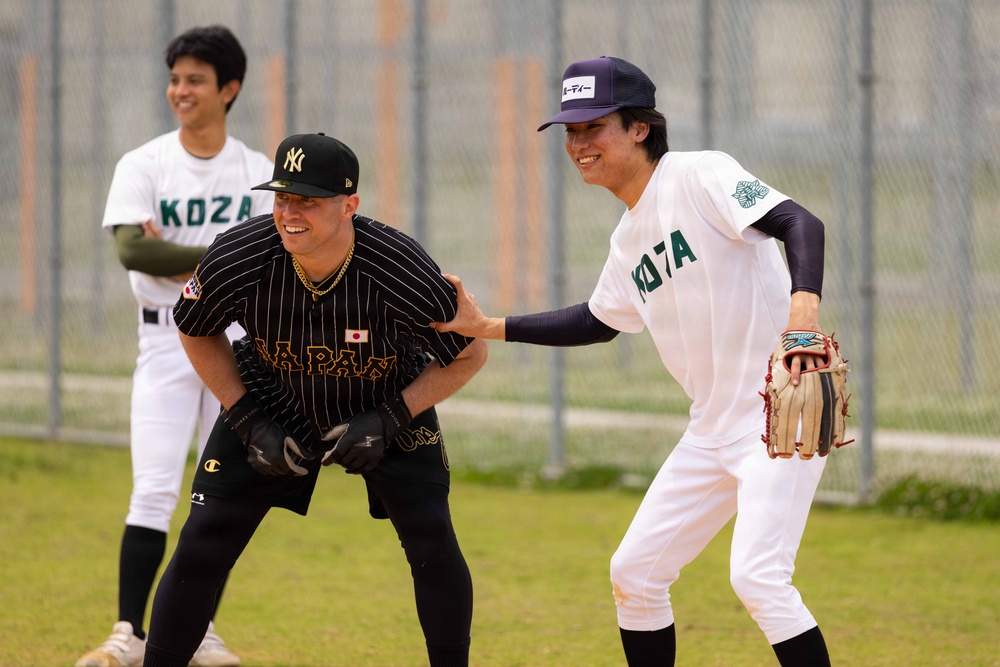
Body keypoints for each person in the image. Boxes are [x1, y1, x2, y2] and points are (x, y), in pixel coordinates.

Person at [432, 56, 835, 666]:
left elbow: (799, 222)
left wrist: (803, 309)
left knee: (758, 579)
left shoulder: (700, 175)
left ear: (640, 127)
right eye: (570, 131)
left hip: (778, 415)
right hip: (711, 429)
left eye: (593, 126)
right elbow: (597, 321)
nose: (578, 144)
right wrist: (486, 326)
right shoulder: (628, 237)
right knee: (636, 572)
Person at [139, 132, 488, 667]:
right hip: (269, 396)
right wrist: (246, 418)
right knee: (203, 540)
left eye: (309, 200)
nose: (290, 213)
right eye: (282, 197)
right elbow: (194, 327)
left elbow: (469, 352)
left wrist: (391, 418)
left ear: (349, 205)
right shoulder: (240, 254)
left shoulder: (398, 266)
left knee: (431, 537)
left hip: (385, 399)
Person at [79, 25, 273, 667]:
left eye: (195, 79)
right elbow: (134, 249)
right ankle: (128, 633)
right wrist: (225, 253)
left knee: (216, 493)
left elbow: (273, 259)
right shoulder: (145, 162)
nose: (180, 91)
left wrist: (183, 258)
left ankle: (200, 632)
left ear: (230, 89)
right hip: (164, 342)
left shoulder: (258, 172)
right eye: (175, 79)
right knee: (154, 488)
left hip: (236, 347)